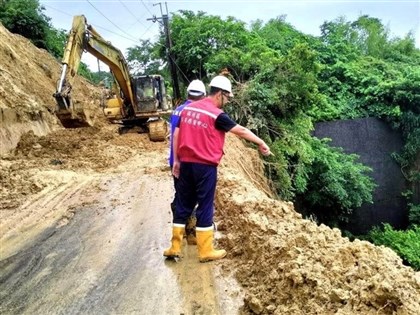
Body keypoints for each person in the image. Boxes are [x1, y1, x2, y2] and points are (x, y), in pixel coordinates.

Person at [164, 75, 271, 262]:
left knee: (183, 204)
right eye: (227, 97)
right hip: (204, 166)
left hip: (185, 163)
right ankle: (205, 250)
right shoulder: (216, 115)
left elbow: (177, 133)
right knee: (205, 205)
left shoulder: (187, 109)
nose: (227, 102)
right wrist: (261, 143)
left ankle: (174, 247)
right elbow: (241, 131)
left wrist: (177, 161)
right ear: (220, 94)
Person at [168, 79, 207, 245]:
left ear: (187, 94)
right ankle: (190, 231)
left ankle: (180, 222)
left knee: (181, 193)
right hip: (189, 160)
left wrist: (175, 160)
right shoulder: (195, 112)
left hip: (175, 159)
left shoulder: (177, 110)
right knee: (193, 196)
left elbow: (173, 135)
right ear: (204, 96)